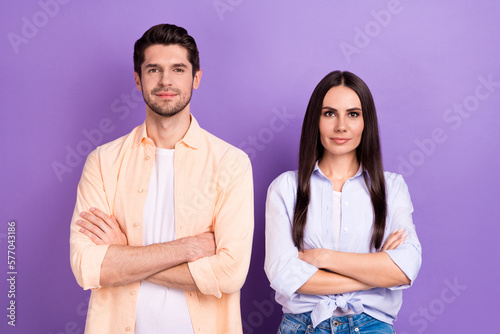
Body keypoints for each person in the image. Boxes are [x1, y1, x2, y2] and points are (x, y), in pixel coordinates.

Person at [69, 24, 254, 334]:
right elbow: (87, 266)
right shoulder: (102, 162)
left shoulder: (230, 163)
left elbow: (229, 273)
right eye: (153, 69)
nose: (166, 80)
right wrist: (187, 248)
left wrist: (124, 254)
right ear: (138, 79)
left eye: (178, 69)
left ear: (196, 78)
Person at [264, 71, 422, 333]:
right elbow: (283, 274)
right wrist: (377, 271)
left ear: (365, 122)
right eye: (329, 113)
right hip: (304, 326)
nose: (341, 126)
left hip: (372, 326)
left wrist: (323, 257)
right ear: (316, 120)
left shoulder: (391, 187)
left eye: (353, 114)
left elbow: (405, 269)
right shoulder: (286, 188)